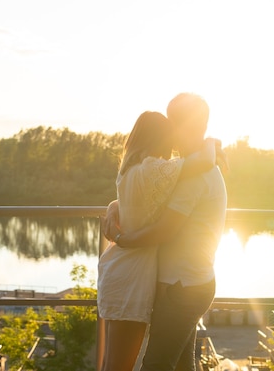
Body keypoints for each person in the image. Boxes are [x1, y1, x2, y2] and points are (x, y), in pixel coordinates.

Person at [103, 93, 228, 371]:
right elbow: (146, 198)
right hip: (186, 283)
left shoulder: (193, 173)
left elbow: (163, 230)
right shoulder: (183, 169)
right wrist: (116, 205)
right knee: (182, 365)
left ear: (189, 126)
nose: (168, 130)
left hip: (182, 287)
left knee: (157, 365)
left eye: (173, 122)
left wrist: (122, 240)